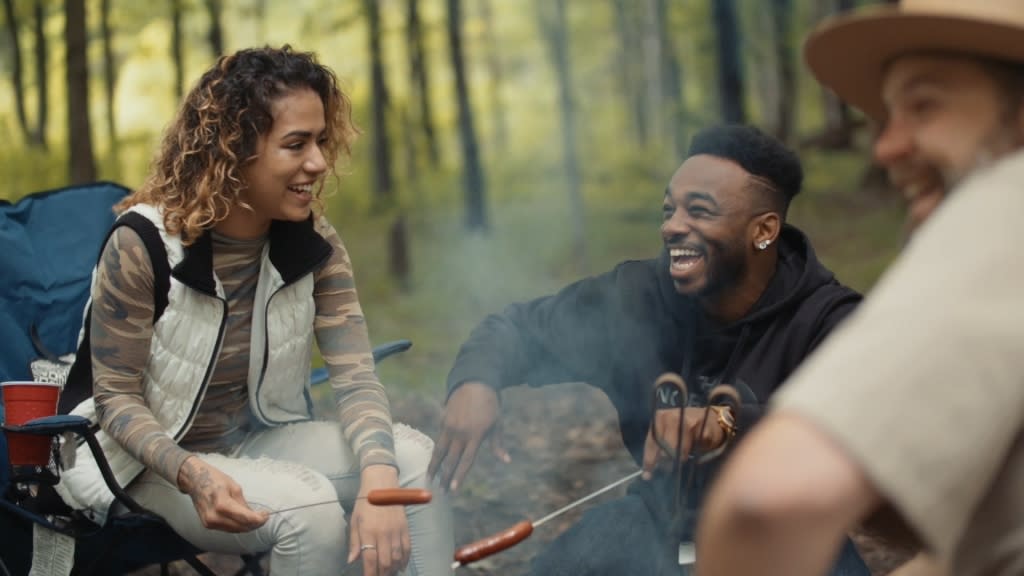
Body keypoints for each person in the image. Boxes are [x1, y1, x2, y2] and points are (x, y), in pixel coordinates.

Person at [52, 46, 453, 576]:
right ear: (234, 150)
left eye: (321, 141)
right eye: (296, 144)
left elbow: (356, 376)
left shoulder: (315, 244)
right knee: (306, 514)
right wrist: (193, 475)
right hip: (138, 462)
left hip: (254, 435)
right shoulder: (143, 243)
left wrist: (379, 478)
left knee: (411, 463)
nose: (318, 162)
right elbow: (116, 399)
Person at [428, 124, 869, 575]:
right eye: (669, 209)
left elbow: (856, 433)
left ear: (763, 230)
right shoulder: (635, 297)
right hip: (656, 524)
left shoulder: (829, 320)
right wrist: (476, 380)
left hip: (788, 537)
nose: (673, 227)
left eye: (699, 212)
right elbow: (517, 329)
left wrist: (727, 422)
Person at [695, 2, 1024, 576]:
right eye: (886, 116)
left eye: (925, 105)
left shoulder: (1008, 202)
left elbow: (767, 506)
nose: (887, 148)